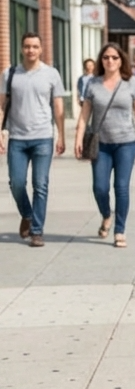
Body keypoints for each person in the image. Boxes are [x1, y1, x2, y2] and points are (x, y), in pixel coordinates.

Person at [74, 43, 135, 247]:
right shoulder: (92, 83)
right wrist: (78, 137)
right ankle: (106, 215)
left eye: (114, 58)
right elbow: (85, 114)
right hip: (100, 144)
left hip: (126, 143)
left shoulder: (131, 83)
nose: (110, 61)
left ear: (121, 61)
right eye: (106, 58)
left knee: (121, 187)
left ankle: (120, 230)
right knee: (100, 188)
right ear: (101, 60)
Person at [0, 31, 66, 247]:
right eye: (27, 46)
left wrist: (61, 135)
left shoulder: (51, 74)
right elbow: (2, 106)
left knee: (41, 184)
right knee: (16, 183)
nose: (31, 50)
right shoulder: (9, 74)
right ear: (22, 48)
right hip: (17, 138)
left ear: (41, 49)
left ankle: (37, 231)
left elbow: (58, 107)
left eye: (35, 46)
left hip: (43, 138)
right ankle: (27, 214)